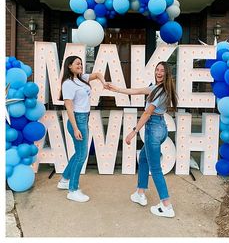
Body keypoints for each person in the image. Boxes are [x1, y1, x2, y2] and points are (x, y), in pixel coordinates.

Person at [105, 62, 178, 218]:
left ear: (167, 74)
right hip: (161, 128)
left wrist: (133, 132)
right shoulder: (157, 88)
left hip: (153, 130)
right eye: (157, 69)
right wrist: (116, 88)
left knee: (156, 169)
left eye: (162, 71)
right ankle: (140, 192)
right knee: (144, 159)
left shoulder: (159, 92)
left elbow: (146, 114)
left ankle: (167, 206)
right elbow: (135, 90)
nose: (158, 72)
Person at [57, 56, 106, 203]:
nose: (80, 65)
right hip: (77, 120)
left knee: (78, 153)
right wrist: (76, 127)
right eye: (77, 63)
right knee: (82, 155)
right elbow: (69, 108)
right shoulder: (68, 84)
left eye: (81, 63)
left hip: (84, 119)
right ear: (69, 66)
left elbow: (97, 74)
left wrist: (104, 83)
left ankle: (64, 180)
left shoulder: (81, 78)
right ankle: (73, 190)